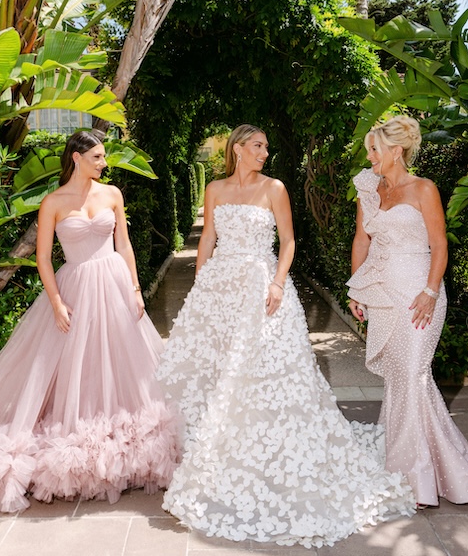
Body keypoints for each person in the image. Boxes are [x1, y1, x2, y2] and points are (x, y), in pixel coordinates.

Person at [156, 124, 416, 549]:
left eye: (266, 147)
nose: (263, 152)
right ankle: (214, 448)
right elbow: (207, 238)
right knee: (219, 368)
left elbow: (289, 240)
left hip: (263, 285)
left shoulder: (274, 187)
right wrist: (202, 281)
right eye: (257, 146)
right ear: (238, 149)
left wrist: (277, 283)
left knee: (269, 371)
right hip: (221, 288)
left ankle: (272, 450)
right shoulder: (216, 189)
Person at [0, 130, 180, 517]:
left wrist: (135, 289)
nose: (104, 163)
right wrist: (56, 302)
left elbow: (125, 245)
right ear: (77, 158)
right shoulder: (52, 202)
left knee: (122, 364)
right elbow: (45, 259)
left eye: (104, 157)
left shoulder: (112, 194)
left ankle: (126, 442)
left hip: (115, 286)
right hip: (75, 287)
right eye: (97, 157)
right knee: (73, 366)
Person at [347, 115, 468, 507]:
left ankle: (417, 476)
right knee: (402, 380)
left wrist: (430, 290)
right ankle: (424, 463)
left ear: (396, 151)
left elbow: (440, 246)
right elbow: (361, 240)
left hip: (419, 295)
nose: (370, 156)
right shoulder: (368, 189)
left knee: (411, 374)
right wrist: (355, 289)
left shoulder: (424, 188)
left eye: (374, 150)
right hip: (383, 295)